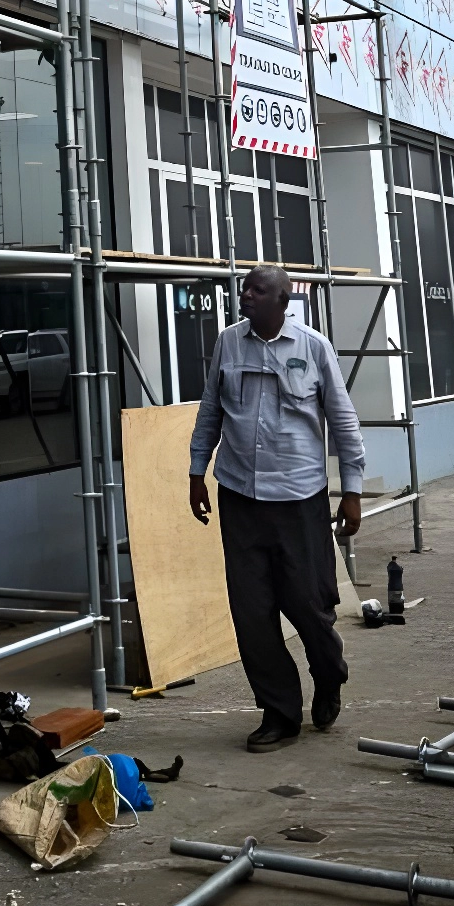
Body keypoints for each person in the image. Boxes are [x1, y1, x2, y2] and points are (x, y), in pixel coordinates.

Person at [188, 264, 364, 752]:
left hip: (299, 500)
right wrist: (197, 471)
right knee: (252, 613)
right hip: (240, 496)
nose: (245, 294)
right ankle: (279, 713)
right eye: (245, 287)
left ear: (282, 300)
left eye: (258, 289)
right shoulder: (229, 343)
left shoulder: (314, 348)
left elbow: (343, 421)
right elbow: (210, 410)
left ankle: (329, 675)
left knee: (310, 605)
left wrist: (351, 490)